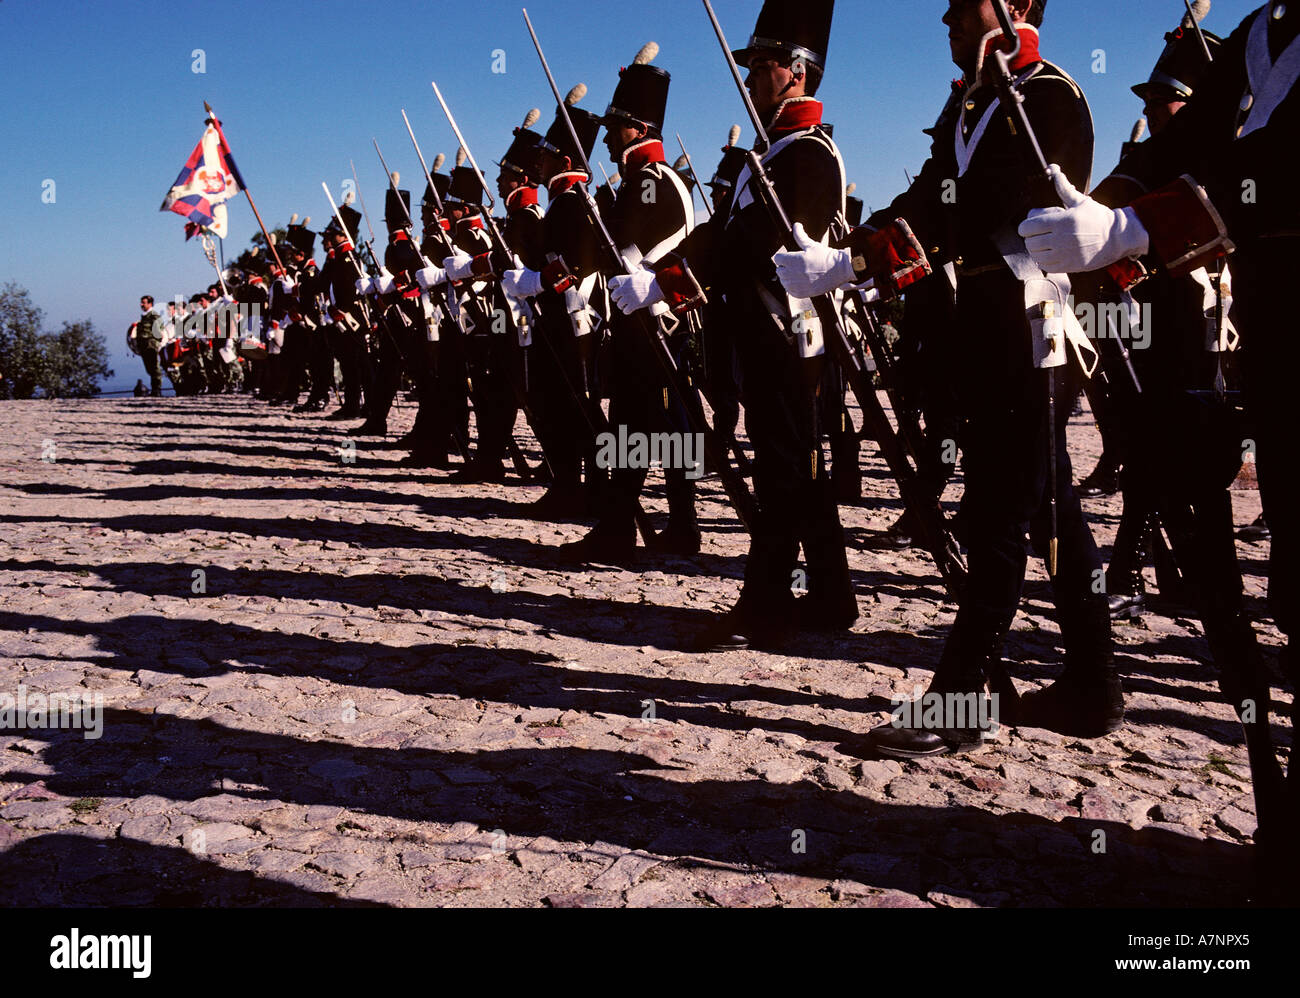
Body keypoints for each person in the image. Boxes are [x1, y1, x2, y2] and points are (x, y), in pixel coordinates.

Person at [771, 0, 1123, 753]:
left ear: (1019, 6)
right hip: (986, 327)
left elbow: (997, 208)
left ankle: (963, 699)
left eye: (965, 6)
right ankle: (1094, 684)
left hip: (1030, 325)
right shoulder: (973, 104)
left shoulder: (1050, 95)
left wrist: (859, 261)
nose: (947, 19)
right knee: (1051, 508)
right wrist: (848, 258)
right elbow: (932, 194)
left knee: (997, 513)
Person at [1015, 0, 1299, 850]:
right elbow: (1189, 137)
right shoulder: (1259, 30)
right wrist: (1111, 207)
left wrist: (1144, 225)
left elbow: (1276, 160)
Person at [611, 0, 857, 648]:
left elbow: (748, 247)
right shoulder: (769, 157)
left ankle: (767, 602)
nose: (751, 78)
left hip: (787, 336)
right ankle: (832, 594)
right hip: (757, 337)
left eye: (764, 65)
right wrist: (663, 279)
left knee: (785, 469)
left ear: (798, 72)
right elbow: (720, 235)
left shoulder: (808, 156)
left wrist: (663, 281)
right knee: (797, 468)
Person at [562, 42, 702, 562]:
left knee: (657, 427)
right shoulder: (640, 180)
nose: (606, 135)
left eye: (616, 125)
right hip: (639, 319)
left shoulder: (648, 182)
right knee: (639, 427)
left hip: (654, 320)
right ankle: (630, 524)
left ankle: (664, 526)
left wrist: (592, 213)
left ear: (639, 129)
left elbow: (619, 247)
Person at [132, 295, 165, 397]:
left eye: (144, 303)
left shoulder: (154, 316)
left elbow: (159, 331)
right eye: (141, 302)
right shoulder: (144, 317)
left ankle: (157, 389)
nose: (141, 305)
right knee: (149, 368)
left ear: (150, 303)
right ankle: (154, 388)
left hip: (151, 345)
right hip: (143, 345)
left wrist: (156, 342)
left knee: (155, 367)